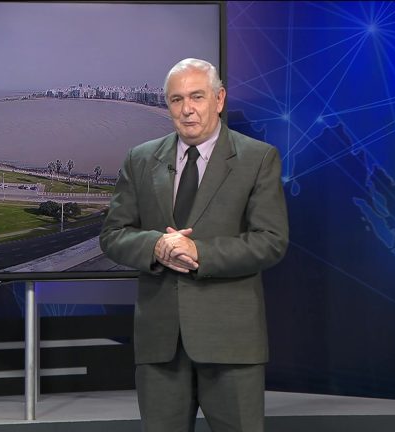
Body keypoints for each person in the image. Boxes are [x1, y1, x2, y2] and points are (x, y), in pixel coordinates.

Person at [99, 58, 289, 432]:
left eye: (197, 97)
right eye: (177, 99)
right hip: (160, 345)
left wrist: (201, 253)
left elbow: (271, 241)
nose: (187, 109)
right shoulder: (140, 159)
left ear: (219, 99)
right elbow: (113, 235)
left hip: (231, 344)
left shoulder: (257, 158)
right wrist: (155, 246)